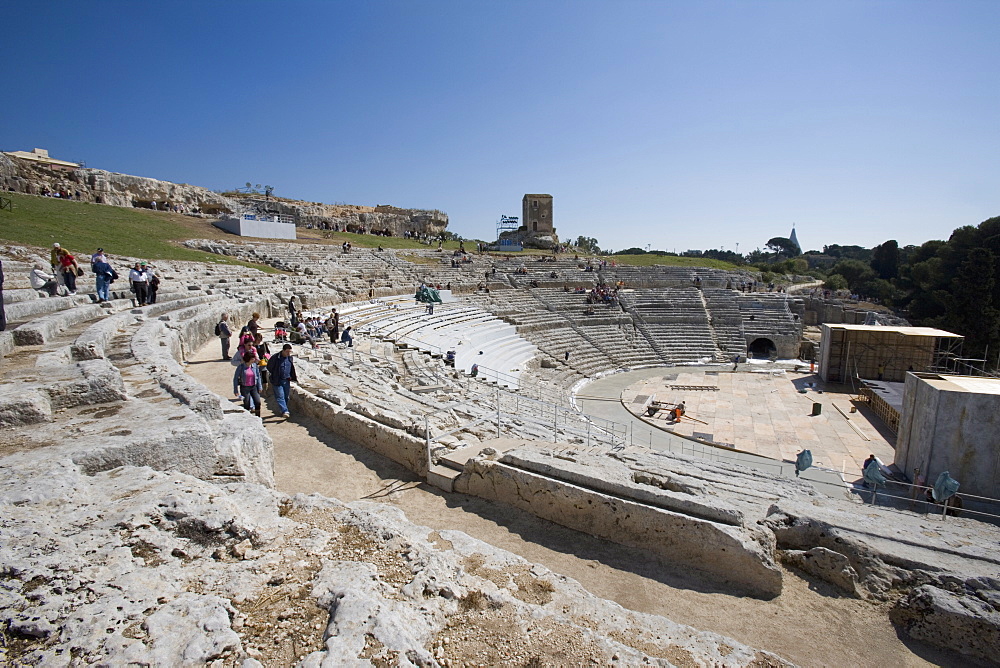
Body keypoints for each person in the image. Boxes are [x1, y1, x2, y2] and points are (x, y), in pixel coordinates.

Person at [267, 343, 297, 418]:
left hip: (286, 380)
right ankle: (285, 411)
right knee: (280, 396)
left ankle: (283, 409)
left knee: (286, 396)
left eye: (290, 352)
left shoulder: (290, 358)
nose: (288, 353)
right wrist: (275, 374)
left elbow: (291, 368)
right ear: (283, 351)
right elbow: (269, 367)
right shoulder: (275, 357)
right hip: (277, 380)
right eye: (287, 352)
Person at [233, 351, 264, 417]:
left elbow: (258, 376)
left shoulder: (255, 366)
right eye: (253, 359)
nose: (254, 360)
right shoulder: (241, 367)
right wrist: (235, 390)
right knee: (247, 404)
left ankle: (258, 417)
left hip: (254, 387)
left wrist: (260, 386)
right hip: (245, 388)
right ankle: (247, 418)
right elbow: (235, 378)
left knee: (258, 402)